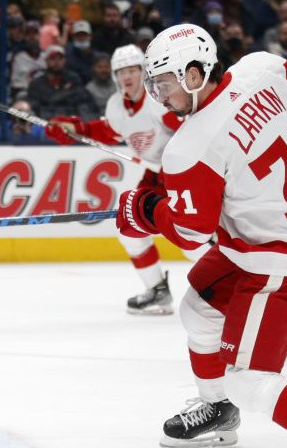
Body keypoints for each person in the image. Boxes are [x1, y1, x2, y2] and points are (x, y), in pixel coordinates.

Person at [120, 23, 287, 447]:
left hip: (286, 255)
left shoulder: (189, 147)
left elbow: (191, 232)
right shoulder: (263, 68)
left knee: (250, 380)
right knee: (199, 307)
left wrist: (145, 209)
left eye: (166, 84)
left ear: (195, 74)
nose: (161, 96)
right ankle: (218, 411)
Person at [44, 44, 187, 315]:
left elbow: (190, 131)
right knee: (130, 227)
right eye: (121, 71)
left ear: (143, 71)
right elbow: (110, 132)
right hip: (153, 175)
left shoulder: (159, 100)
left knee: (194, 240)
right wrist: (75, 129)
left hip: (181, 173)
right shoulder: (116, 105)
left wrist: (176, 166)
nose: (127, 76)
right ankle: (157, 290)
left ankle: (228, 284)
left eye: (132, 69)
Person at [26, 45, 98, 122]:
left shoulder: (73, 78)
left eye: (60, 59)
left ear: (64, 60)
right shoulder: (36, 83)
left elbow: (82, 98)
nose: (56, 62)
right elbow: (34, 105)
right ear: (46, 61)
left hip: (71, 118)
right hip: (46, 121)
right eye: (53, 59)